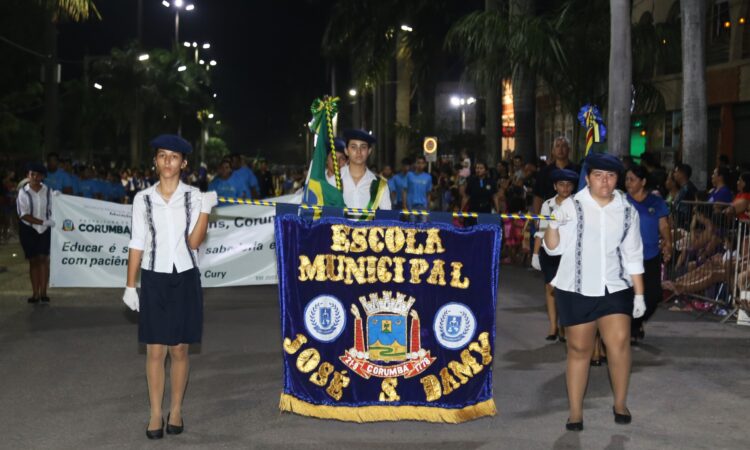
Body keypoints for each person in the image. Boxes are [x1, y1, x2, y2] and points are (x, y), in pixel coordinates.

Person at [122, 134, 217, 439]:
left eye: (174, 157)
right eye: (162, 155)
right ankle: (155, 413)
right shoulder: (143, 198)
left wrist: (205, 210)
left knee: (179, 349)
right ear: (155, 161)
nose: (167, 161)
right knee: (154, 350)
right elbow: (137, 242)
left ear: (183, 163)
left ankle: (175, 409)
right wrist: (130, 285)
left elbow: (194, 242)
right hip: (154, 277)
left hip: (185, 276)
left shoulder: (194, 196)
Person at [543, 152, 645, 431]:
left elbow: (633, 253)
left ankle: (620, 403)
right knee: (579, 349)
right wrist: (553, 224)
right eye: (598, 175)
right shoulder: (570, 207)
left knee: (619, 343)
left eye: (611, 176)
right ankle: (575, 412)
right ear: (587, 178)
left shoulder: (627, 210)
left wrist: (639, 294)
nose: (605, 181)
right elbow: (553, 248)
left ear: (617, 179)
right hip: (576, 288)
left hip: (615, 287)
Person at [625, 164, 672, 343]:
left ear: (643, 182)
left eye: (632, 179)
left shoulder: (656, 202)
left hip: (650, 255)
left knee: (653, 295)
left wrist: (668, 243)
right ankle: (631, 327)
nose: (628, 183)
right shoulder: (622, 201)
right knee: (630, 294)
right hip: (628, 257)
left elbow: (664, 225)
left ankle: (637, 322)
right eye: (627, 179)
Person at [532, 168, 577, 342]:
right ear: (555, 186)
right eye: (561, 184)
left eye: (568, 184)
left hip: (568, 253)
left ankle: (565, 326)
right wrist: (535, 253)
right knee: (551, 289)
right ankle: (553, 326)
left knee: (566, 290)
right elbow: (541, 230)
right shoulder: (548, 205)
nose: (565, 188)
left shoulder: (577, 205)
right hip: (550, 253)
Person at [17, 163, 56, 304]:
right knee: (33, 261)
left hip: (44, 230)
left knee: (44, 259)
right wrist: (43, 222)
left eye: (38, 175)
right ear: (28, 175)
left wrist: (59, 199)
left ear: (43, 176)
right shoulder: (23, 192)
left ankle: (43, 293)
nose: (34, 177)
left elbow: (54, 207)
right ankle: (35, 294)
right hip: (28, 229)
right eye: (32, 174)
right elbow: (23, 214)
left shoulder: (48, 191)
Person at [340, 129, 391, 210]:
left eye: (363, 147)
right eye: (353, 147)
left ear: (369, 151)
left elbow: (387, 215)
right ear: (346, 151)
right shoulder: (335, 178)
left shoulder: (380, 184)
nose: (359, 151)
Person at [533, 137, 579, 214]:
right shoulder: (544, 172)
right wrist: (536, 216)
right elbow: (538, 195)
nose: (560, 149)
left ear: (569, 150)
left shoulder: (577, 170)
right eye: (557, 146)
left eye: (564, 146)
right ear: (553, 151)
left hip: (573, 211)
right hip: (550, 211)